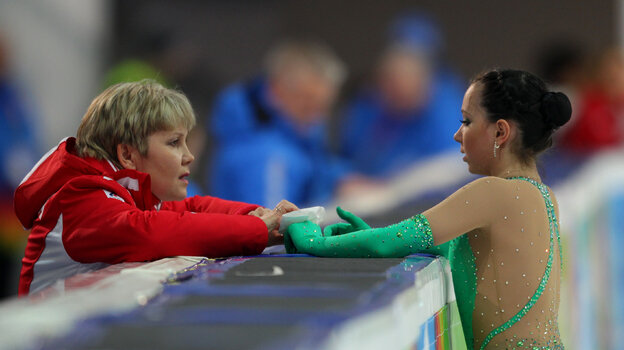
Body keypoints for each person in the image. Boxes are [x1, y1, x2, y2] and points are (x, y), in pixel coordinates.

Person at [286, 69, 571, 349]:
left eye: (467, 121)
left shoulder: (493, 192)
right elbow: (459, 252)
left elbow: (396, 239)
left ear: (500, 131)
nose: (458, 135)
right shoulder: (545, 197)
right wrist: (367, 238)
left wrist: (315, 240)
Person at [14, 80, 297, 296]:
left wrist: (262, 217)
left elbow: (191, 207)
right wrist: (257, 230)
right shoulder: (80, 197)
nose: (189, 156)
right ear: (127, 155)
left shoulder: (130, 192)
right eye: (174, 143)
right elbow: (149, 231)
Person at [209, 40, 362, 208]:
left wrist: (340, 180)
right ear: (275, 92)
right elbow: (272, 228)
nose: (317, 119)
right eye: (307, 105)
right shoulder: (267, 158)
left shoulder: (297, 139)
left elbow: (317, 166)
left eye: (324, 108)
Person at [340, 13, 465, 178]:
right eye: (390, 80)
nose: (398, 89)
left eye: (410, 76)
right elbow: (345, 159)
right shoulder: (369, 104)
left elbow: (453, 167)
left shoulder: (448, 106)